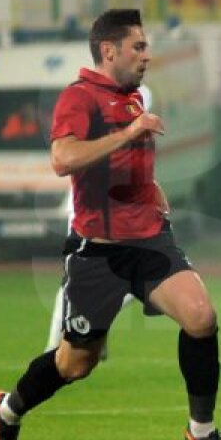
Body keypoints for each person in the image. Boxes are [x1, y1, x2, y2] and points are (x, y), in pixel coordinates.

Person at [0, 9, 221, 440]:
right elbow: (63, 159)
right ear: (110, 51)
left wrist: (154, 189)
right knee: (75, 364)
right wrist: (129, 132)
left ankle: (201, 431)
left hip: (148, 243)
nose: (147, 54)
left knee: (201, 318)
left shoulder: (133, 98)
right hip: (98, 254)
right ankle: (8, 410)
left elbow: (130, 164)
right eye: (138, 47)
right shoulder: (80, 97)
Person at [44, 84, 153, 359]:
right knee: (81, 281)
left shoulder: (136, 96)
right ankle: (60, 345)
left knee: (130, 275)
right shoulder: (91, 98)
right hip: (92, 208)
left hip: (121, 207)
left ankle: (91, 331)